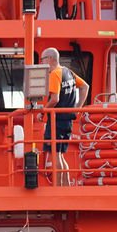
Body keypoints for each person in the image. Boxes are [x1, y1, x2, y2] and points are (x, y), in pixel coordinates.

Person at [39, 47, 88, 187]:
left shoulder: (55, 74)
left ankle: (59, 187)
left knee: (55, 155)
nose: (42, 63)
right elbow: (85, 86)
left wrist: (43, 112)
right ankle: (66, 186)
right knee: (60, 155)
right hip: (67, 120)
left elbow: (54, 99)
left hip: (57, 120)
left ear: (50, 59)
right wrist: (77, 108)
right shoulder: (68, 72)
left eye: (42, 59)